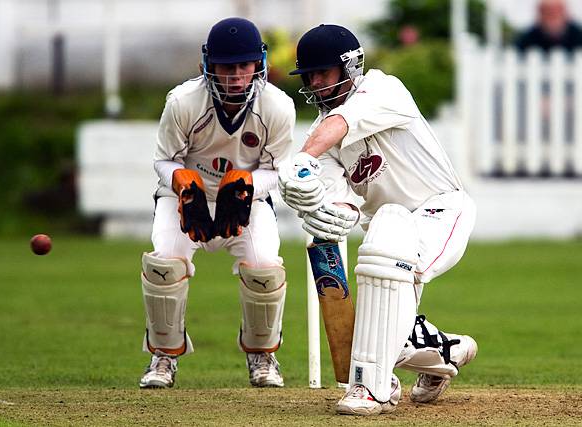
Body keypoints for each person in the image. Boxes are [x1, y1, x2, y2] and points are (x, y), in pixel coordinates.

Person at [279, 24, 478, 416]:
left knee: (385, 237)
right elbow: (343, 208)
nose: (315, 84)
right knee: (384, 323)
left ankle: (372, 387)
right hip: (387, 236)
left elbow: (342, 123)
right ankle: (445, 352)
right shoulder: (324, 142)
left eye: (323, 73)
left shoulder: (385, 90)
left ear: (349, 67)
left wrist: (301, 156)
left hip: (441, 211)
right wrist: (315, 207)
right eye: (309, 76)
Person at [138, 17, 295, 389]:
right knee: (164, 267)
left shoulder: (278, 106)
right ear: (208, 65)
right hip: (186, 197)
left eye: (244, 65)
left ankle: (262, 354)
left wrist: (247, 182)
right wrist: (180, 179)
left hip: (245, 199)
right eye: (227, 66)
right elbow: (163, 159)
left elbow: (279, 170)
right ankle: (163, 356)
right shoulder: (183, 102)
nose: (236, 75)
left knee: (265, 270)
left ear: (259, 64)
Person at [515, 0, 582, 54]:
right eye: (547, 11)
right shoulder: (527, 39)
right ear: (540, 13)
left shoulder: (578, 36)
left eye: (557, 10)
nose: (553, 15)